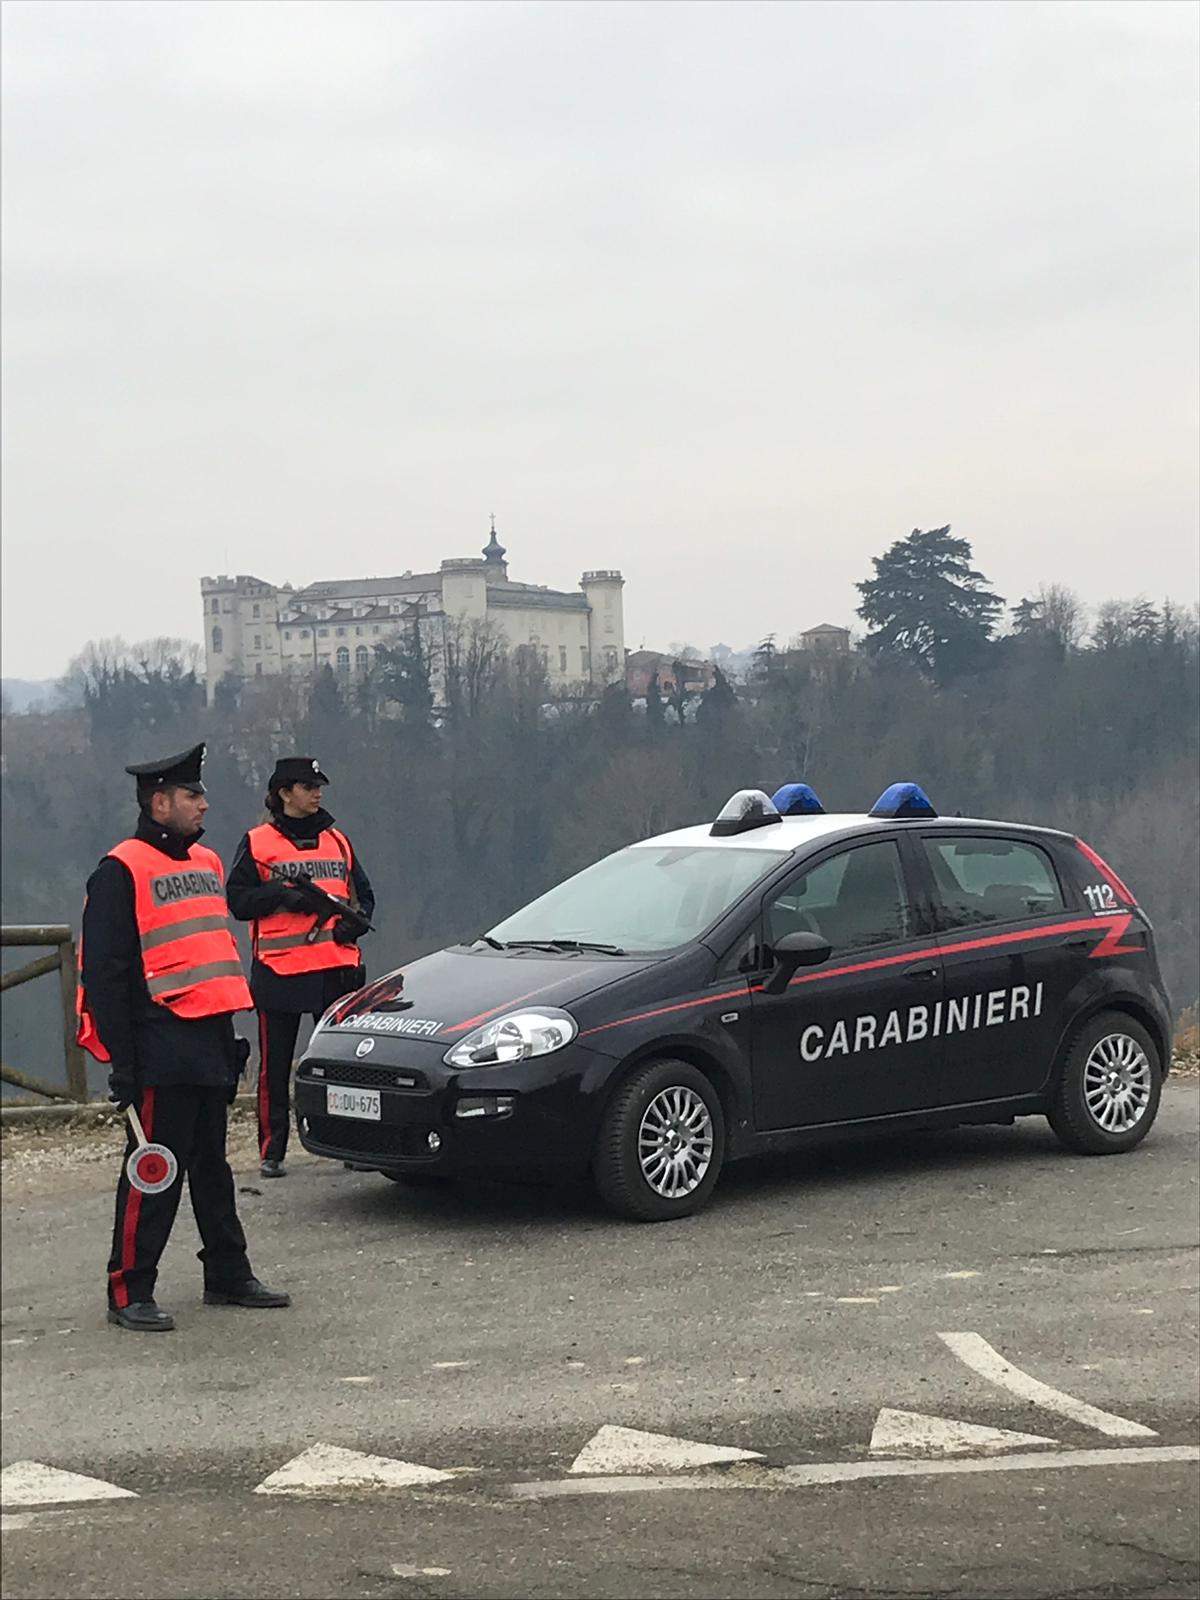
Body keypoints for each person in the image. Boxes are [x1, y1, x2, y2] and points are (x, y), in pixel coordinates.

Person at [77, 743, 291, 1333]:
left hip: (209, 1038)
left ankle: (227, 1272)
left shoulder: (208, 862)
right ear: (160, 801)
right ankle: (129, 1289)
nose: (205, 804)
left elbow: (209, 952)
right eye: (193, 795)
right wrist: (123, 1060)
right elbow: (105, 974)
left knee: (212, 1167)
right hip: (158, 1044)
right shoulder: (120, 869)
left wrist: (229, 1040)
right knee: (155, 1169)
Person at [226, 757, 374, 1179]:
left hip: (337, 969)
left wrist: (352, 925)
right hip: (281, 972)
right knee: (274, 1068)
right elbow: (238, 902)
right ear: (285, 793)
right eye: (308, 786)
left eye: (318, 786)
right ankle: (272, 1150)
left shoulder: (338, 840)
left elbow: (364, 896)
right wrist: (280, 896)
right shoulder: (257, 843)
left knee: (344, 1064)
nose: (317, 793)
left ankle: (350, 1143)